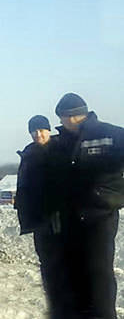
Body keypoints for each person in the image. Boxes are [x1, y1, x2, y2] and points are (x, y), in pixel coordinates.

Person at [47, 93, 124, 318]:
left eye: (65, 117)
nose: (64, 122)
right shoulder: (59, 142)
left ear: (75, 116)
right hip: (69, 217)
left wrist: (112, 194)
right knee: (73, 270)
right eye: (61, 118)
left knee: (99, 272)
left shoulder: (110, 134)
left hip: (100, 215)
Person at [14, 115, 71, 318]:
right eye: (34, 131)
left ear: (49, 130)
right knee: (46, 262)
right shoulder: (29, 153)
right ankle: (54, 304)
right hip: (39, 219)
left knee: (64, 262)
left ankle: (67, 305)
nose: (38, 135)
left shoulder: (62, 149)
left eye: (42, 130)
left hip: (61, 218)